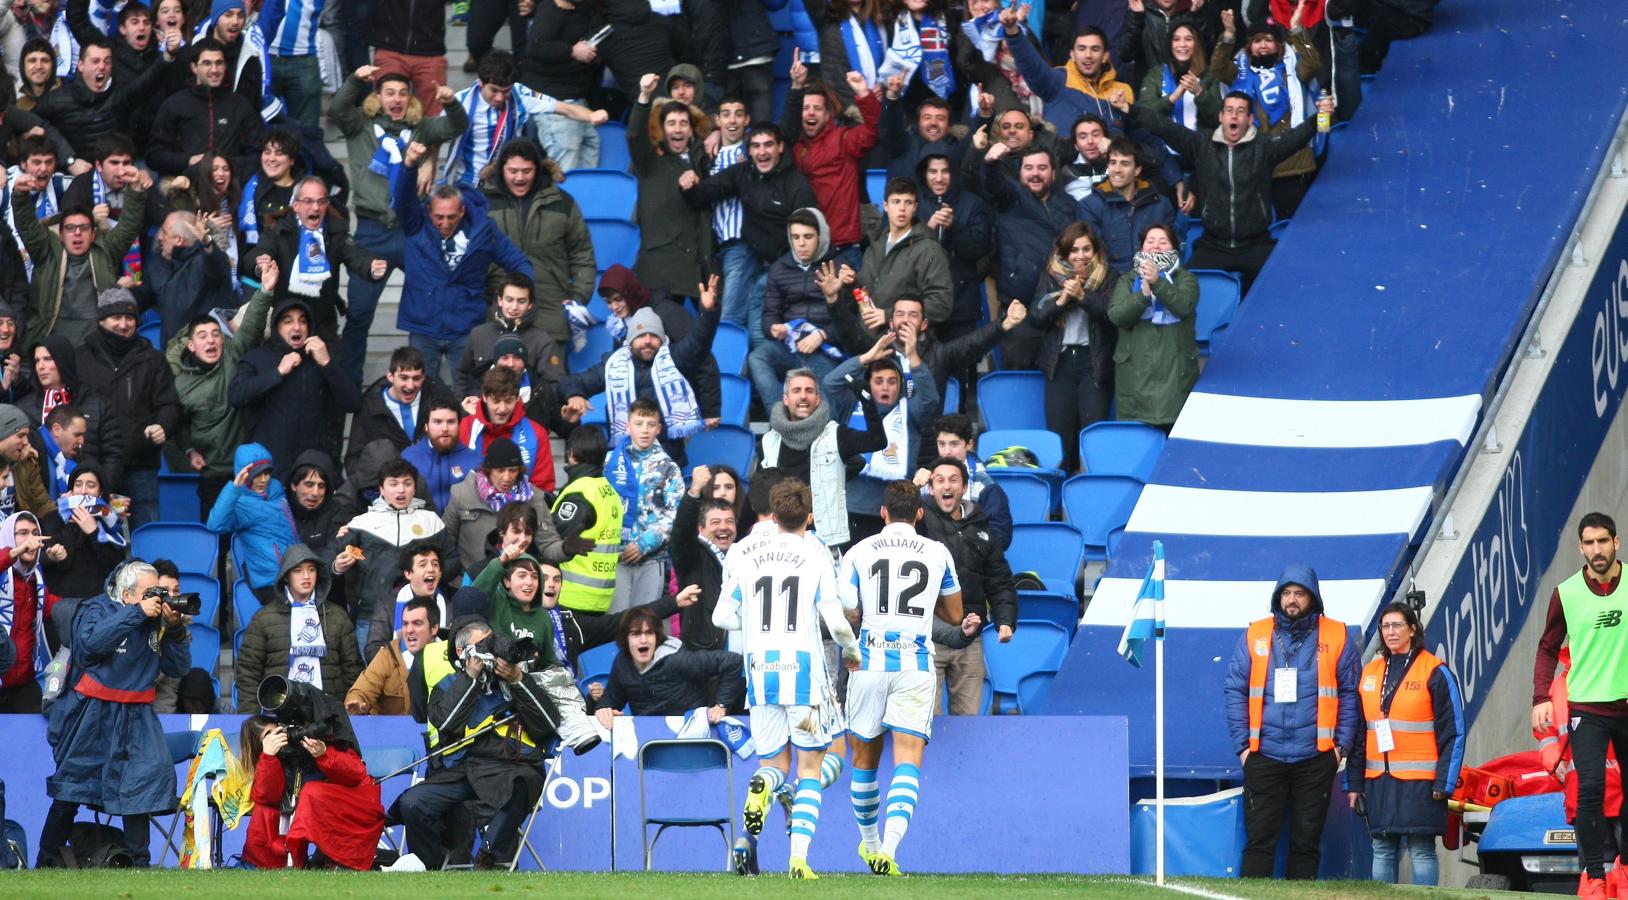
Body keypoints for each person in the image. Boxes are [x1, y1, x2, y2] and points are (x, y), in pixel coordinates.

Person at [713, 479, 861, 879]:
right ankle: (798, 860)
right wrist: (853, 652)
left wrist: (756, 626)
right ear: (809, 518)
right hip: (803, 672)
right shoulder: (815, 553)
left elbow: (721, 617)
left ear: (774, 516)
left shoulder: (749, 555)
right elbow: (836, 620)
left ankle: (764, 785)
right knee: (814, 766)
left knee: (773, 763)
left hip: (760, 672)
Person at [839, 478, 964, 875]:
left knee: (864, 761)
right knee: (908, 760)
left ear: (883, 512)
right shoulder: (937, 552)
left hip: (869, 660)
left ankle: (871, 844)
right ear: (920, 514)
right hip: (914, 662)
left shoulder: (859, 551)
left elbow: (848, 610)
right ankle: (889, 850)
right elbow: (955, 615)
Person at [36, 560, 188, 868]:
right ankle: (46, 859)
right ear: (127, 594)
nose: (157, 598)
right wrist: (136, 614)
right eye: (150, 592)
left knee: (141, 787)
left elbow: (178, 668)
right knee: (71, 788)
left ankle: (140, 864)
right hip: (93, 713)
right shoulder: (97, 609)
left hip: (139, 714)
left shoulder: (157, 619)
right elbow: (89, 646)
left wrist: (174, 630)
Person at [330, 65, 468, 383]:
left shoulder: (421, 128)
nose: (396, 99)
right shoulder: (360, 124)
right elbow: (338, 108)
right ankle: (349, 388)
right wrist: (355, 80)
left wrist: (450, 103)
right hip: (371, 232)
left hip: (411, 231)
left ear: (410, 99)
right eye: (389, 93)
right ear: (378, 97)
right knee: (359, 314)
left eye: (403, 93)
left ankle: (428, 384)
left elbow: (456, 126)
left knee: (431, 305)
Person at [1223, 564, 1360, 880]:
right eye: (1286, 593)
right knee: (1258, 842)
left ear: (1313, 598)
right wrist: (1243, 748)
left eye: (1299, 593)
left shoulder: (1338, 634)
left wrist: (1340, 748)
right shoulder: (1255, 634)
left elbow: (1351, 695)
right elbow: (1234, 690)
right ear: (1277, 597)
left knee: (1306, 843)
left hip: (1316, 757)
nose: (1292, 600)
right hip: (1263, 755)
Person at [1125, 89, 1333, 293]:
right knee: (1185, 291)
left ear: (1250, 119)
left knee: (1284, 286)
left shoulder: (1264, 148)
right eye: (1229, 110)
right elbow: (1165, 128)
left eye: (1240, 111)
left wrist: (1321, 116)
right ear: (1221, 116)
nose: (1234, 116)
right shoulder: (1201, 144)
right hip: (1213, 245)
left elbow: (1298, 137)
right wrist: (1130, 109)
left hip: (1256, 244)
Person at [395, 617, 562, 870]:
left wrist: (517, 679)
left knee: (520, 785)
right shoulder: (449, 685)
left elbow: (548, 723)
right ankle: (429, 868)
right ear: (462, 652)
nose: (491, 652)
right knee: (413, 803)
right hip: (465, 770)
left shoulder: (513, 679)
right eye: (483, 646)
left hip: (510, 767)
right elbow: (446, 723)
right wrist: (471, 677)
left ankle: (489, 855)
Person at [1532, 513, 1628, 897]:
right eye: (1589, 543)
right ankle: (1594, 878)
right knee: (1589, 789)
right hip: (1587, 708)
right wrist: (1540, 698)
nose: (1596, 550)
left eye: (1602, 541)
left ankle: (1625, 871)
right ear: (1580, 547)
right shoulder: (1566, 592)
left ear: (1616, 542)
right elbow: (1547, 648)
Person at [1345, 601, 1464, 887]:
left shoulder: (1434, 671)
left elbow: (1453, 733)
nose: (1390, 632)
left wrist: (1444, 782)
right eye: (1385, 626)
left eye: (1397, 625)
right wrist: (1354, 784)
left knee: (1421, 850)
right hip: (1378, 781)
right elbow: (1359, 734)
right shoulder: (1370, 673)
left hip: (1421, 783)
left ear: (1412, 629)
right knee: (1382, 849)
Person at [396, 142, 536, 379]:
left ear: (462, 211)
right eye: (439, 217)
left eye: (451, 217)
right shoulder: (416, 225)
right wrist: (409, 165)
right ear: (429, 212)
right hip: (424, 325)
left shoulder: (483, 230)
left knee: (468, 390)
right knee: (420, 389)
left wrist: (520, 297)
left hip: (466, 326)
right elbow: (402, 198)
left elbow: (519, 263)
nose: (444, 223)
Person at [682, 120, 818, 344]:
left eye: (768, 145)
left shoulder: (796, 183)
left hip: (784, 262)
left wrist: (786, 265)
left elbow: (809, 232)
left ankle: (755, 355)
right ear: (749, 150)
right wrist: (689, 185)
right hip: (751, 254)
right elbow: (704, 194)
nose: (762, 152)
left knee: (758, 323)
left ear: (780, 147)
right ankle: (725, 355)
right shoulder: (743, 172)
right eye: (756, 146)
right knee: (729, 312)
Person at [558, 279, 724, 463]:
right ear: (630, 341)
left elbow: (699, 342)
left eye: (654, 335)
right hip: (625, 462)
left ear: (662, 339)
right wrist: (574, 394)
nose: (647, 341)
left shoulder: (675, 357)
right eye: (641, 335)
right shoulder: (612, 364)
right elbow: (569, 382)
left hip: (667, 461)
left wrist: (707, 312)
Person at [166, 277, 277, 517]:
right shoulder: (180, 384)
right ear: (191, 345)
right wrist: (189, 451)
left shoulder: (234, 356)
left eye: (216, 334)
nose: (211, 340)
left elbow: (251, 326)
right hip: (212, 474)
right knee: (216, 532)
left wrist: (264, 291)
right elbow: (177, 425)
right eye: (203, 335)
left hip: (250, 470)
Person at [74, 288, 184, 529]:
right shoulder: (81, 358)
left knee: (146, 534)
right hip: (96, 468)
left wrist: (163, 425)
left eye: (130, 318)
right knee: (97, 535)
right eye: (116, 317)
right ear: (101, 320)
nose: (123, 324)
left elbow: (169, 404)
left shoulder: (153, 359)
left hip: (140, 465)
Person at [916, 457, 1017, 714]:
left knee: (968, 724)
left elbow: (999, 582)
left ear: (964, 487)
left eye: (953, 480)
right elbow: (893, 515)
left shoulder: (982, 529)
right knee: (925, 723)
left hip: (970, 640)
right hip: (926, 640)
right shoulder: (918, 521)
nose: (946, 486)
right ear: (930, 488)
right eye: (939, 480)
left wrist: (1005, 620)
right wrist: (912, 487)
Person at [228, 293, 363, 481]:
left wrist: (327, 364)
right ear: (277, 327)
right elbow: (236, 395)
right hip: (268, 468)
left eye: (302, 321)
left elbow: (353, 402)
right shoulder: (258, 357)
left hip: (311, 471)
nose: (297, 327)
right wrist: (277, 373)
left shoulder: (322, 358)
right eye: (288, 321)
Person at [822, 329, 939, 543]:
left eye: (892, 381)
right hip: (851, 508)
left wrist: (912, 356)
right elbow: (831, 383)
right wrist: (866, 358)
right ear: (869, 384)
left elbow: (930, 398)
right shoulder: (851, 405)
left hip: (896, 513)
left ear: (900, 386)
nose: (885, 386)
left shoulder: (910, 412)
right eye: (878, 381)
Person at [10, 169, 150, 346]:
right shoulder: (46, 251)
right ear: (61, 234)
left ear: (93, 234)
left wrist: (136, 191)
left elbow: (129, 226)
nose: (77, 233)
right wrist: (20, 195)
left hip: (96, 344)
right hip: (50, 340)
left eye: (84, 228)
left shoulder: (107, 250)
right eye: (70, 228)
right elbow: (27, 226)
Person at [475, 139, 593, 348]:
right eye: (513, 171)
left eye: (527, 171)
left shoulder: (563, 202)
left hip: (551, 316)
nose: (520, 178)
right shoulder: (482, 203)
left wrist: (577, 298)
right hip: (496, 316)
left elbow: (582, 255)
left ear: (538, 169)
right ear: (501, 169)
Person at [331, 459, 459, 646]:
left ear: (415, 488)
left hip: (424, 616)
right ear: (381, 489)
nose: (401, 490)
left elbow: (454, 561)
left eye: (407, 483)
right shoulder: (361, 523)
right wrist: (337, 566)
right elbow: (333, 557)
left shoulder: (431, 521)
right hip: (370, 616)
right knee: (376, 664)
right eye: (393, 484)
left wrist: (431, 573)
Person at [440, 50, 607, 190]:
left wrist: (591, 115)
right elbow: (434, 138)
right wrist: (428, 167)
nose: (500, 97)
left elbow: (566, 108)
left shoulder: (520, 94)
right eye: (494, 90)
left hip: (506, 182)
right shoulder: (460, 102)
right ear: (480, 82)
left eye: (505, 91)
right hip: (467, 183)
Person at [1210, 11, 1322, 219]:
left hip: (1292, 162)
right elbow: (1217, 67)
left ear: (1279, 45)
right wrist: (1228, 35)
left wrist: (1296, 29)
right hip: (1253, 163)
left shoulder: (1292, 68)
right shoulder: (1238, 71)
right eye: (1257, 40)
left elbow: (1313, 63)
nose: (1263, 45)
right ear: (1249, 46)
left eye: (1269, 40)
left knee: (1291, 224)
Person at [237, 713, 385, 870]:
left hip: (350, 809)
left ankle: (331, 861)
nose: (278, 737)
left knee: (312, 792)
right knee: (266, 809)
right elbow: (267, 796)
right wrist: (268, 756)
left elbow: (356, 773)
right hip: (296, 821)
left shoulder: (319, 738)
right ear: (260, 746)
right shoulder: (270, 758)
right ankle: (273, 864)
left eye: (279, 731)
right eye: (269, 735)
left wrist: (324, 754)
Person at [759, 367, 884, 549]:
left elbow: (877, 442)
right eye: (797, 391)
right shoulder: (769, 440)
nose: (803, 396)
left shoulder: (835, 434)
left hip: (826, 541)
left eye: (809, 391)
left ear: (817, 400)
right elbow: (762, 493)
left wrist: (868, 404)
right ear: (786, 399)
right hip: (779, 541)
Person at [237, 544, 364, 712]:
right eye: (298, 571)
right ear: (286, 576)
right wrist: (253, 720)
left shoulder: (337, 616)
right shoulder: (263, 619)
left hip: (330, 715)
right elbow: (248, 673)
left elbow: (352, 670)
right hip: (278, 714)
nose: (306, 576)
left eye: (311, 570)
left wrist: (350, 714)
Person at [983, 142, 1076, 371]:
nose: (1035, 173)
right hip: (1019, 309)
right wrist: (991, 164)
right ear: (1020, 172)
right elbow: (994, 184)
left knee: (1060, 380)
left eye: (1042, 168)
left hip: (1061, 308)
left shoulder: (1069, 205)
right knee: (1020, 379)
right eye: (1028, 168)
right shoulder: (1010, 198)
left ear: (1053, 173)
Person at [1031, 222, 1117, 471]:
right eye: (1074, 250)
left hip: (1095, 362)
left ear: (1096, 251)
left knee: (1092, 434)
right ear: (1064, 253)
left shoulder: (1109, 276)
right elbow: (1036, 317)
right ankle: (1061, 492)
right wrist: (1062, 301)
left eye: (1086, 249)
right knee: (1061, 437)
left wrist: (1082, 296)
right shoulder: (1051, 275)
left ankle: (1091, 488)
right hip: (1059, 363)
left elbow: (1112, 315)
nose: (1080, 256)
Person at [781, 64, 880, 268]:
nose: (811, 113)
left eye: (817, 109)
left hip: (843, 248)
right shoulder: (792, 147)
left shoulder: (843, 139)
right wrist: (796, 85)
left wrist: (863, 93)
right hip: (805, 249)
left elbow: (872, 131)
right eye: (805, 108)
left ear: (827, 115)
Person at [1107, 223, 1200, 431]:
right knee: (1137, 440)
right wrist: (1143, 295)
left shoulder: (1186, 279)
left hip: (1175, 372)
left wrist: (1158, 282)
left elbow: (1183, 306)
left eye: (1163, 241)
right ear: (1142, 248)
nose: (1156, 246)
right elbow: (1117, 316)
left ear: (1174, 248)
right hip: (1135, 374)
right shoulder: (1127, 280)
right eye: (1150, 241)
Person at [629, 73, 713, 302]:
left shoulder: (703, 161)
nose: (678, 129)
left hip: (699, 262)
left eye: (683, 123)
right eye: (671, 123)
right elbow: (635, 136)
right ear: (662, 129)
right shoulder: (650, 161)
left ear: (691, 130)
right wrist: (644, 96)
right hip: (661, 268)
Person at [591, 603, 746, 720]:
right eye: (636, 634)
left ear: (657, 638)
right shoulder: (622, 662)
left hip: (689, 734)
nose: (643, 640)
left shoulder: (678, 660)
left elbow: (733, 661)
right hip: (647, 738)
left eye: (649, 633)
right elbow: (613, 699)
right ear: (626, 639)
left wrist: (721, 706)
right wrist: (601, 705)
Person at [443, 437, 569, 574]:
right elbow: (445, 542)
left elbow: (548, 544)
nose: (507, 477)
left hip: (519, 582)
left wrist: (566, 548)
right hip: (472, 579)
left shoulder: (534, 498)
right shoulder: (462, 494)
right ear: (488, 470)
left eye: (513, 470)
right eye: (500, 470)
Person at [604, 400, 683, 613]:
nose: (645, 430)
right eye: (639, 424)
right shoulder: (610, 463)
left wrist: (644, 544)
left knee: (645, 620)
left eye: (651, 424)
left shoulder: (669, 467)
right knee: (616, 623)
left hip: (652, 558)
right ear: (628, 426)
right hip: (614, 557)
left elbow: (675, 514)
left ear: (659, 428)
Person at [146, 38, 263, 177]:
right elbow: (154, 155)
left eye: (219, 63)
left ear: (225, 66)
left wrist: (225, 164)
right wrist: (189, 160)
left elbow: (258, 154)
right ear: (194, 67)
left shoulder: (240, 105)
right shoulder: (174, 105)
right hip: (186, 184)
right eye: (207, 63)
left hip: (230, 184)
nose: (214, 70)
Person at [1000, 14, 1133, 134]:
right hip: (1061, 154)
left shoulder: (1123, 91)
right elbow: (1031, 66)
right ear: (1072, 55)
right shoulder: (1058, 81)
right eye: (1081, 49)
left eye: (1095, 49)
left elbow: (1138, 136)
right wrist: (1012, 31)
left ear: (1105, 56)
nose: (1088, 55)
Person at [346, 346, 457, 483]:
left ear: (423, 378)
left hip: (434, 485)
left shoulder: (439, 398)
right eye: (404, 378)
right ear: (390, 376)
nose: (410, 385)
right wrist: (376, 490)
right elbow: (355, 459)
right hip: (387, 489)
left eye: (416, 378)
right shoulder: (369, 407)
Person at [456, 272, 566, 408]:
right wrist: (462, 408)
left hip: (527, 413)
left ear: (530, 304)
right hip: (480, 412)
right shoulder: (479, 334)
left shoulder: (542, 341)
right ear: (500, 300)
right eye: (509, 300)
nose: (514, 307)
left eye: (521, 301)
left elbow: (554, 384)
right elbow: (462, 375)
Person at [853, 178, 954, 324]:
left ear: (915, 207)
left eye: (908, 202)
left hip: (906, 336)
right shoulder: (874, 246)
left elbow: (941, 304)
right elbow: (865, 293)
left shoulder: (929, 249)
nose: (902, 208)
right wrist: (851, 284)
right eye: (896, 202)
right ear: (885, 206)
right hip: (869, 335)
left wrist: (889, 316)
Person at [207, 443, 298, 602]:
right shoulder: (240, 503)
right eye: (257, 474)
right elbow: (215, 525)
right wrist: (234, 487)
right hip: (271, 580)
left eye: (267, 473)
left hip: (295, 570)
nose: (264, 479)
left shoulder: (277, 489)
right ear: (244, 475)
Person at [550, 425, 625, 616]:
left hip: (571, 596)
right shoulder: (609, 491)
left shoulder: (580, 493)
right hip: (601, 597)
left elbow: (552, 540)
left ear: (571, 453)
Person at [521, 0, 604, 168]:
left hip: (578, 99)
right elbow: (536, 46)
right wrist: (571, 51)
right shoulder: (552, 7)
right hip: (553, 99)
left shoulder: (587, 8)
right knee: (566, 167)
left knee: (587, 165)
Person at [1078, 138, 1176, 273]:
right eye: (1113, 163)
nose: (1117, 169)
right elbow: (1092, 258)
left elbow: (1171, 255)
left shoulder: (1161, 205)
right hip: (1109, 282)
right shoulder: (1089, 206)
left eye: (1124, 164)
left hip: (1153, 279)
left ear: (1137, 170)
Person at [916, 415, 1012, 549]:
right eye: (942, 444)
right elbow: (903, 522)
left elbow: (1001, 537)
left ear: (969, 445)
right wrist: (913, 489)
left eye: (954, 444)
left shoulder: (985, 486)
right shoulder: (924, 481)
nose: (947, 451)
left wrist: (964, 546)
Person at [0, 511, 63, 712]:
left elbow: (53, 606)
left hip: (24, 682)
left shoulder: (35, 577)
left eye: (35, 533)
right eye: (23, 533)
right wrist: (14, 552)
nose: (31, 539)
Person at [459, 366, 557, 493]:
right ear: (485, 397)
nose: (502, 408)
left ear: (517, 398)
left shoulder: (536, 433)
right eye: (496, 401)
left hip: (521, 504)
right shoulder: (465, 428)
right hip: (472, 503)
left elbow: (543, 488)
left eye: (508, 401)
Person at [669, 466, 735, 651]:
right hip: (702, 652)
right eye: (715, 522)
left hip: (736, 651)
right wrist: (693, 493)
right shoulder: (692, 556)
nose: (724, 527)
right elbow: (681, 533)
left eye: (729, 522)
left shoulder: (744, 555)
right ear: (701, 528)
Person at [40, 465, 128, 601]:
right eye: (78, 485)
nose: (83, 491)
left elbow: (116, 568)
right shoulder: (53, 519)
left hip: (99, 601)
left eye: (91, 486)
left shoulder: (110, 521)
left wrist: (94, 533)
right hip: (62, 601)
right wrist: (70, 523)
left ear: (100, 492)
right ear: (71, 490)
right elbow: (62, 564)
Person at [346, 594, 438, 716]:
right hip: (391, 728)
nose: (409, 630)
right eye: (405, 624)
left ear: (434, 628)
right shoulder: (388, 655)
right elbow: (362, 690)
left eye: (417, 623)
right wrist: (357, 702)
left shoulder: (448, 657)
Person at [361, 540, 449, 665]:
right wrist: (400, 667)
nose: (431, 569)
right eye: (423, 565)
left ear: (440, 573)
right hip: (398, 672)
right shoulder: (388, 604)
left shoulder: (450, 602)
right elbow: (373, 648)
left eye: (435, 564)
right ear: (408, 574)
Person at [403, 400, 483, 514]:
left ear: (459, 425)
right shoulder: (409, 458)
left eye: (451, 422)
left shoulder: (475, 461)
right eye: (437, 422)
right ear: (426, 426)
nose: (445, 428)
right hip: (420, 524)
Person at [285, 449, 356, 554]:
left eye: (321, 486)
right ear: (294, 485)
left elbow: (336, 553)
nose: (315, 492)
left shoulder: (338, 514)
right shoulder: (279, 511)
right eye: (309, 485)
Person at [0, 404, 51, 518]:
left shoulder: (24, 460)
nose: (26, 442)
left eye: (26, 436)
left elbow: (42, 504)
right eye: (20, 435)